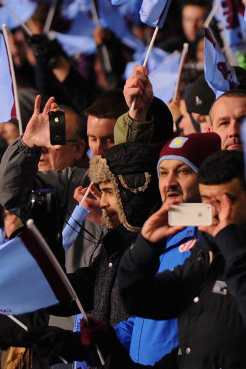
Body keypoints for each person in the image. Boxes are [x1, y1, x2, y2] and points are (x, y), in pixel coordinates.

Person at [118, 150, 246, 368]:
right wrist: (145, 247)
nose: (214, 212)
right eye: (207, 202)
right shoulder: (206, 254)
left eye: (225, 201)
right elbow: (139, 300)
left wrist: (231, 244)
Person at [28, 141, 162, 368]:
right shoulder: (117, 242)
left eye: (109, 191)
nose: (103, 202)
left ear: (132, 191)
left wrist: (84, 343)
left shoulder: (158, 249)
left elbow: (144, 327)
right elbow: (85, 288)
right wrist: (36, 291)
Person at [120, 132, 222, 367]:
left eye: (183, 171)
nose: (169, 182)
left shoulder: (213, 241)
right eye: (163, 173)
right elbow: (141, 319)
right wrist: (100, 341)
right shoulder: (158, 232)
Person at [0, 95, 100, 272]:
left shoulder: (91, 186)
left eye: (54, 137)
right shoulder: (33, 189)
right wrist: (27, 144)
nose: (42, 147)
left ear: (79, 149)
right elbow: (8, 192)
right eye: (42, 136)